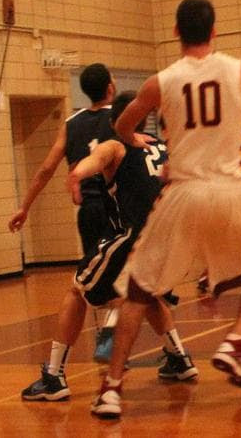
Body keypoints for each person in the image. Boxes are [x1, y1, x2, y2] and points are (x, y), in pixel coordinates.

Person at [91, 0, 241, 418]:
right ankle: (235, 342)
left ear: (176, 31)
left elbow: (122, 124)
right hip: (231, 189)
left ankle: (112, 388)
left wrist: (136, 139)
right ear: (214, 31)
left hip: (183, 191)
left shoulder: (160, 81)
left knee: (138, 291)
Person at [20, 92, 196, 402]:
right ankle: (179, 359)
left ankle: (53, 376)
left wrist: (77, 174)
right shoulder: (159, 146)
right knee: (146, 296)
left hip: (131, 236)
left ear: (116, 120)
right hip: (167, 238)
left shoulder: (116, 144)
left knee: (77, 290)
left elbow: (96, 159)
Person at [8, 62, 119, 360]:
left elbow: (46, 169)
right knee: (126, 275)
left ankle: (107, 333)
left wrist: (24, 207)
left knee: (92, 279)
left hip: (88, 212)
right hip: (118, 209)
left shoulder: (71, 124)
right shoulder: (120, 118)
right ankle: (112, 331)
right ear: (110, 88)